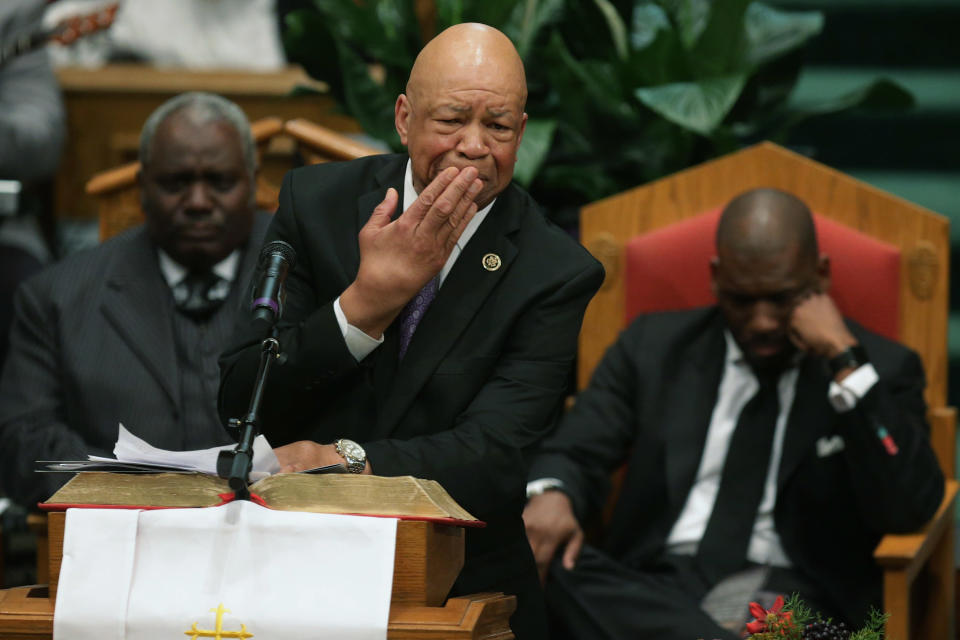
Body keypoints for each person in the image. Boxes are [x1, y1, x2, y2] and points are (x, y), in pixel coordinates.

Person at [218, 23, 604, 639]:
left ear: (522, 132)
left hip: (462, 583)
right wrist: (367, 305)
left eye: (499, 127)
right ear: (404, 118)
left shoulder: (554, 271)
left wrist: (346, 460)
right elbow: (242, 397)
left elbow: (497, 453)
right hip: (293, 562)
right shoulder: (317, 204)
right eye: (452, 119)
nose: (474, 146)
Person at [522, 188, 945, 639]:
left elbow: (909, 507)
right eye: (743, 299)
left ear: (819, 277)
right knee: (549, 564)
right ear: (717, 278)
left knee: (782, 622)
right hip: (654, 586)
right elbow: (576, 447)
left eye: (782, 298)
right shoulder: (653, 349)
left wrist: (845, 362)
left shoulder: (877, 369)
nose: (763, 321)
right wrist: (554, 492)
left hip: (793, 591)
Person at [0, 92, 271, 507]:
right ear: (141, 185)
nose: (198, 202)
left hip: (282, 535)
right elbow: (22, 443)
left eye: (220, 182)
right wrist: (137, 496)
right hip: (121, 538)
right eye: (175, 183)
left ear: (253, 181)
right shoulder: (55, 298)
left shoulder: (314, 277)